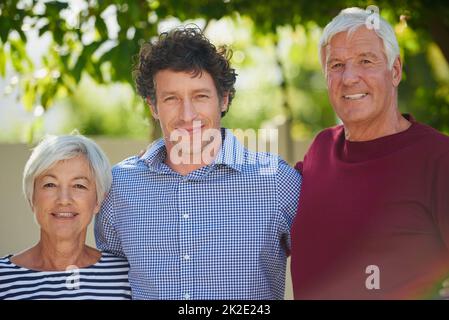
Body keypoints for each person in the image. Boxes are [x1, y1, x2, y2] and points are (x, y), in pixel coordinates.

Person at [94, 26, 302, 300]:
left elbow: (325, 267)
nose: (187, 114)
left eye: (200, 96)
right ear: (153, 106)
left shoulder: (277, 181)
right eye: (171, 99)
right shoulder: (119, 186)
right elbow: (112, 286)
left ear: (224, 99)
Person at [291, 7, 449, 299]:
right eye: (336, 65)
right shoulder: (321, 149)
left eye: (366, 61)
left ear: (395, 70)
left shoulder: (439, 159)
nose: (350, 77)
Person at [0, 134, 131, 300]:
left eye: (79, 185)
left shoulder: (126, 278)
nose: (63, 200)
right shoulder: (4, 279)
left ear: (98, 200)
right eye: (50, 184)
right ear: (31, 198)